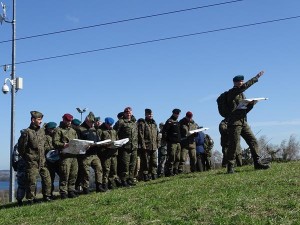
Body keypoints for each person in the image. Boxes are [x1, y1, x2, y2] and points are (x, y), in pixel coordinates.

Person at [226, 71, 270, 173]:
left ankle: (257, 163)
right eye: (239, 81)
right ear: (234, 83)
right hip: (234, 123)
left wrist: (251, 104)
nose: (241, 83)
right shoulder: (231, 93)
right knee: (234, 144)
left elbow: (244, 110)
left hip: (243, 121)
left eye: (242, 81)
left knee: (253, 141)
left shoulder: (242, 95)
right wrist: (256, 77)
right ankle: (230, 167)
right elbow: (244, 88)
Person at [17, 111, 52, 203]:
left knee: (47, 179)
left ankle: (47, 196)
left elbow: (45, 145)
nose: (40, 121)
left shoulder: (42, 131)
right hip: (32, 161)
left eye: (41, 120)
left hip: (42, 160)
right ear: (33, 120)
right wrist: (28, 157)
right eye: (39, 119)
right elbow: (21, 148)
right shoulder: (27, 132)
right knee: (31, 181)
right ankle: (31, 199)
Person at [77, 112, 105, 193]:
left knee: (99, 169)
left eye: (93, 122)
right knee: (86, 172)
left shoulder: (94, 129)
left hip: (94, 153)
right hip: (85, 155)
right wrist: (85, 146)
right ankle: (85, 188)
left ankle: (99, 186)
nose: (93, 124)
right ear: (87, 120)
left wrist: (101, 143)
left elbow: (97, 140)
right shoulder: (80, 129)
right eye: (91, 122)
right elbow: (77, 142)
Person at [53, 113, 78, 199]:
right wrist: (63, 145)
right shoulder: (58, 130)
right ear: (63, 120)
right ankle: (63, 192)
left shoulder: (73, 131)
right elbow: (55, 142)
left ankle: (71, 190)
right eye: (67, 121)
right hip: (65, 156)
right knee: (64, 175)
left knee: (73, 174)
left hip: (73, 155)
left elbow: (76, 141)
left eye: (70, 121)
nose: (69, 122)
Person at [113, 107, 138, 187]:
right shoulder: (120, 122)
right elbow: (115, 133)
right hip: (124, 147)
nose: (128, 113)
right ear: (124, 113)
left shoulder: (134, 122)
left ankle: (130, 179)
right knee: (125, 165)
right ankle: (123, 180)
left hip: (134, 146)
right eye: (127, 112)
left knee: (132, 164)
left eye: (129, 112)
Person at [97, 117, 119, 190]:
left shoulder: (114, 131)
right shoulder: (100, 130)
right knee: (106, 170)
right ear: (105, 123)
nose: (110, 126)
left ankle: (112, 184)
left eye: (111, 125)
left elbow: (117, 139)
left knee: (114, 170)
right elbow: (98, 142)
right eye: (108, 124)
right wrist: (105, 145)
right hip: (105, 154)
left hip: (114, 153)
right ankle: (105, 185)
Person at [137, 108, 159, 181]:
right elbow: (141, 135)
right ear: (146, 114)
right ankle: (145, 175)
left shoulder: (154, 123)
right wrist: (143, 146)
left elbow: (157, 134)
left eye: (151, 114)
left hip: (154, 146)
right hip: (146, 146)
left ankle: (154, 174)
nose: (150, 115)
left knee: (154, 161)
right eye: (149, 114)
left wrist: (158, 143)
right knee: (146, 162)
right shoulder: (143, 123)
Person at [162, 108, 181, 176]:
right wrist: (167, 140)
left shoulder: (177, 122)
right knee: (171, 157)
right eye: (177, 114)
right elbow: (165, 131)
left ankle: (175, 170)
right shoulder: (170, 121)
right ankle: (168, 171)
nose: (178, 115)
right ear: (173, 113)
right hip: (172, 142)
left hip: (178, 142)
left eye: (178, 114)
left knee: (178, 157)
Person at [44, 122, 60, 198]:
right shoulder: (45, 137)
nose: (53, 130)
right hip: (47, 160)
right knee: (49, 179)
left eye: (54, 129)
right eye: (51, 129)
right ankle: (47, 194)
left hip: (57, 159)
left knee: (62, 175)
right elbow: (45, 147)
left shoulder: (56, 135)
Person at [12, 140, 27, 206]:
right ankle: (21, 200)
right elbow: (15, 158)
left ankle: (20, 200)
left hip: (22, 167)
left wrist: (16, 166)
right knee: (25, 184)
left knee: (22, 185)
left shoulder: (18, 144)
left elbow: (15, 158)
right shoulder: (20, 144)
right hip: (23, 167)